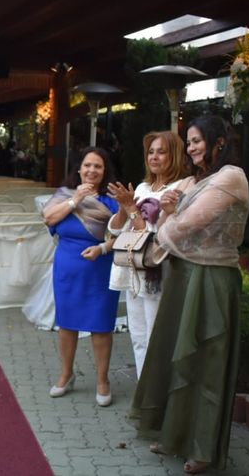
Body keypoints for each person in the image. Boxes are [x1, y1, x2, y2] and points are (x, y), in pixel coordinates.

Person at [131, 115, 249, 474]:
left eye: (198, 140)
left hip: (212, 278)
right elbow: (165, 222)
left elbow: (185, 226)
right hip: (181, 276)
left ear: (218, 142)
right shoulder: (192, 181)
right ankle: (173, 436)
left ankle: (202, 448)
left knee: (205, 364)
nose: (193, 147)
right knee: (174, 358)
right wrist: (165, 215)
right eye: (190, 141)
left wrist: (162, 226)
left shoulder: (231, 177)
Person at [107, 131, 188, 379]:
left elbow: (158, 237)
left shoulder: (180, 188)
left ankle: (158, 398)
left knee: (157, 337)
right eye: (151, 151)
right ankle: (144, 392)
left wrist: (132, 208)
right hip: (133, 268)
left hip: (157, 269)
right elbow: (115, 229)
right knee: (139, 336)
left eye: (161, 151)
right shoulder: (142, 187)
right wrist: (124, 206)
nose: (154, 157)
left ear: (174, 155)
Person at [42, 147, 119, 406]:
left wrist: (103, 248)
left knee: (101, 325)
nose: (91, 170)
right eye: (87, 165)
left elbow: (122, 233)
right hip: (67, 266)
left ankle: (102, 380)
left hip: (101, 266)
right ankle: (66, 374)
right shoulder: (64, 195)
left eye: (98, 166)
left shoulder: (111, 200)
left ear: (104, 171)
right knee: (67, 324)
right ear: (79, 169)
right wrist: (75, 199)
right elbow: (48, 218)